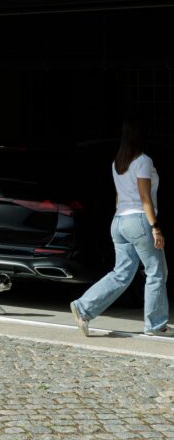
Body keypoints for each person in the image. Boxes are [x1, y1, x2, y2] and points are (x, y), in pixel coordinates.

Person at [69, 118, 171, 338]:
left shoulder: (118, 163)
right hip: (139, 221)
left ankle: (83, 307)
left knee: (121, 273)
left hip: (119, 221)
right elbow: (144, 197)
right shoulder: (143, 161)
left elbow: (118, 195)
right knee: (156, 272)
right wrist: (155, 226)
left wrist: (123, 218)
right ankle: (155, 324)